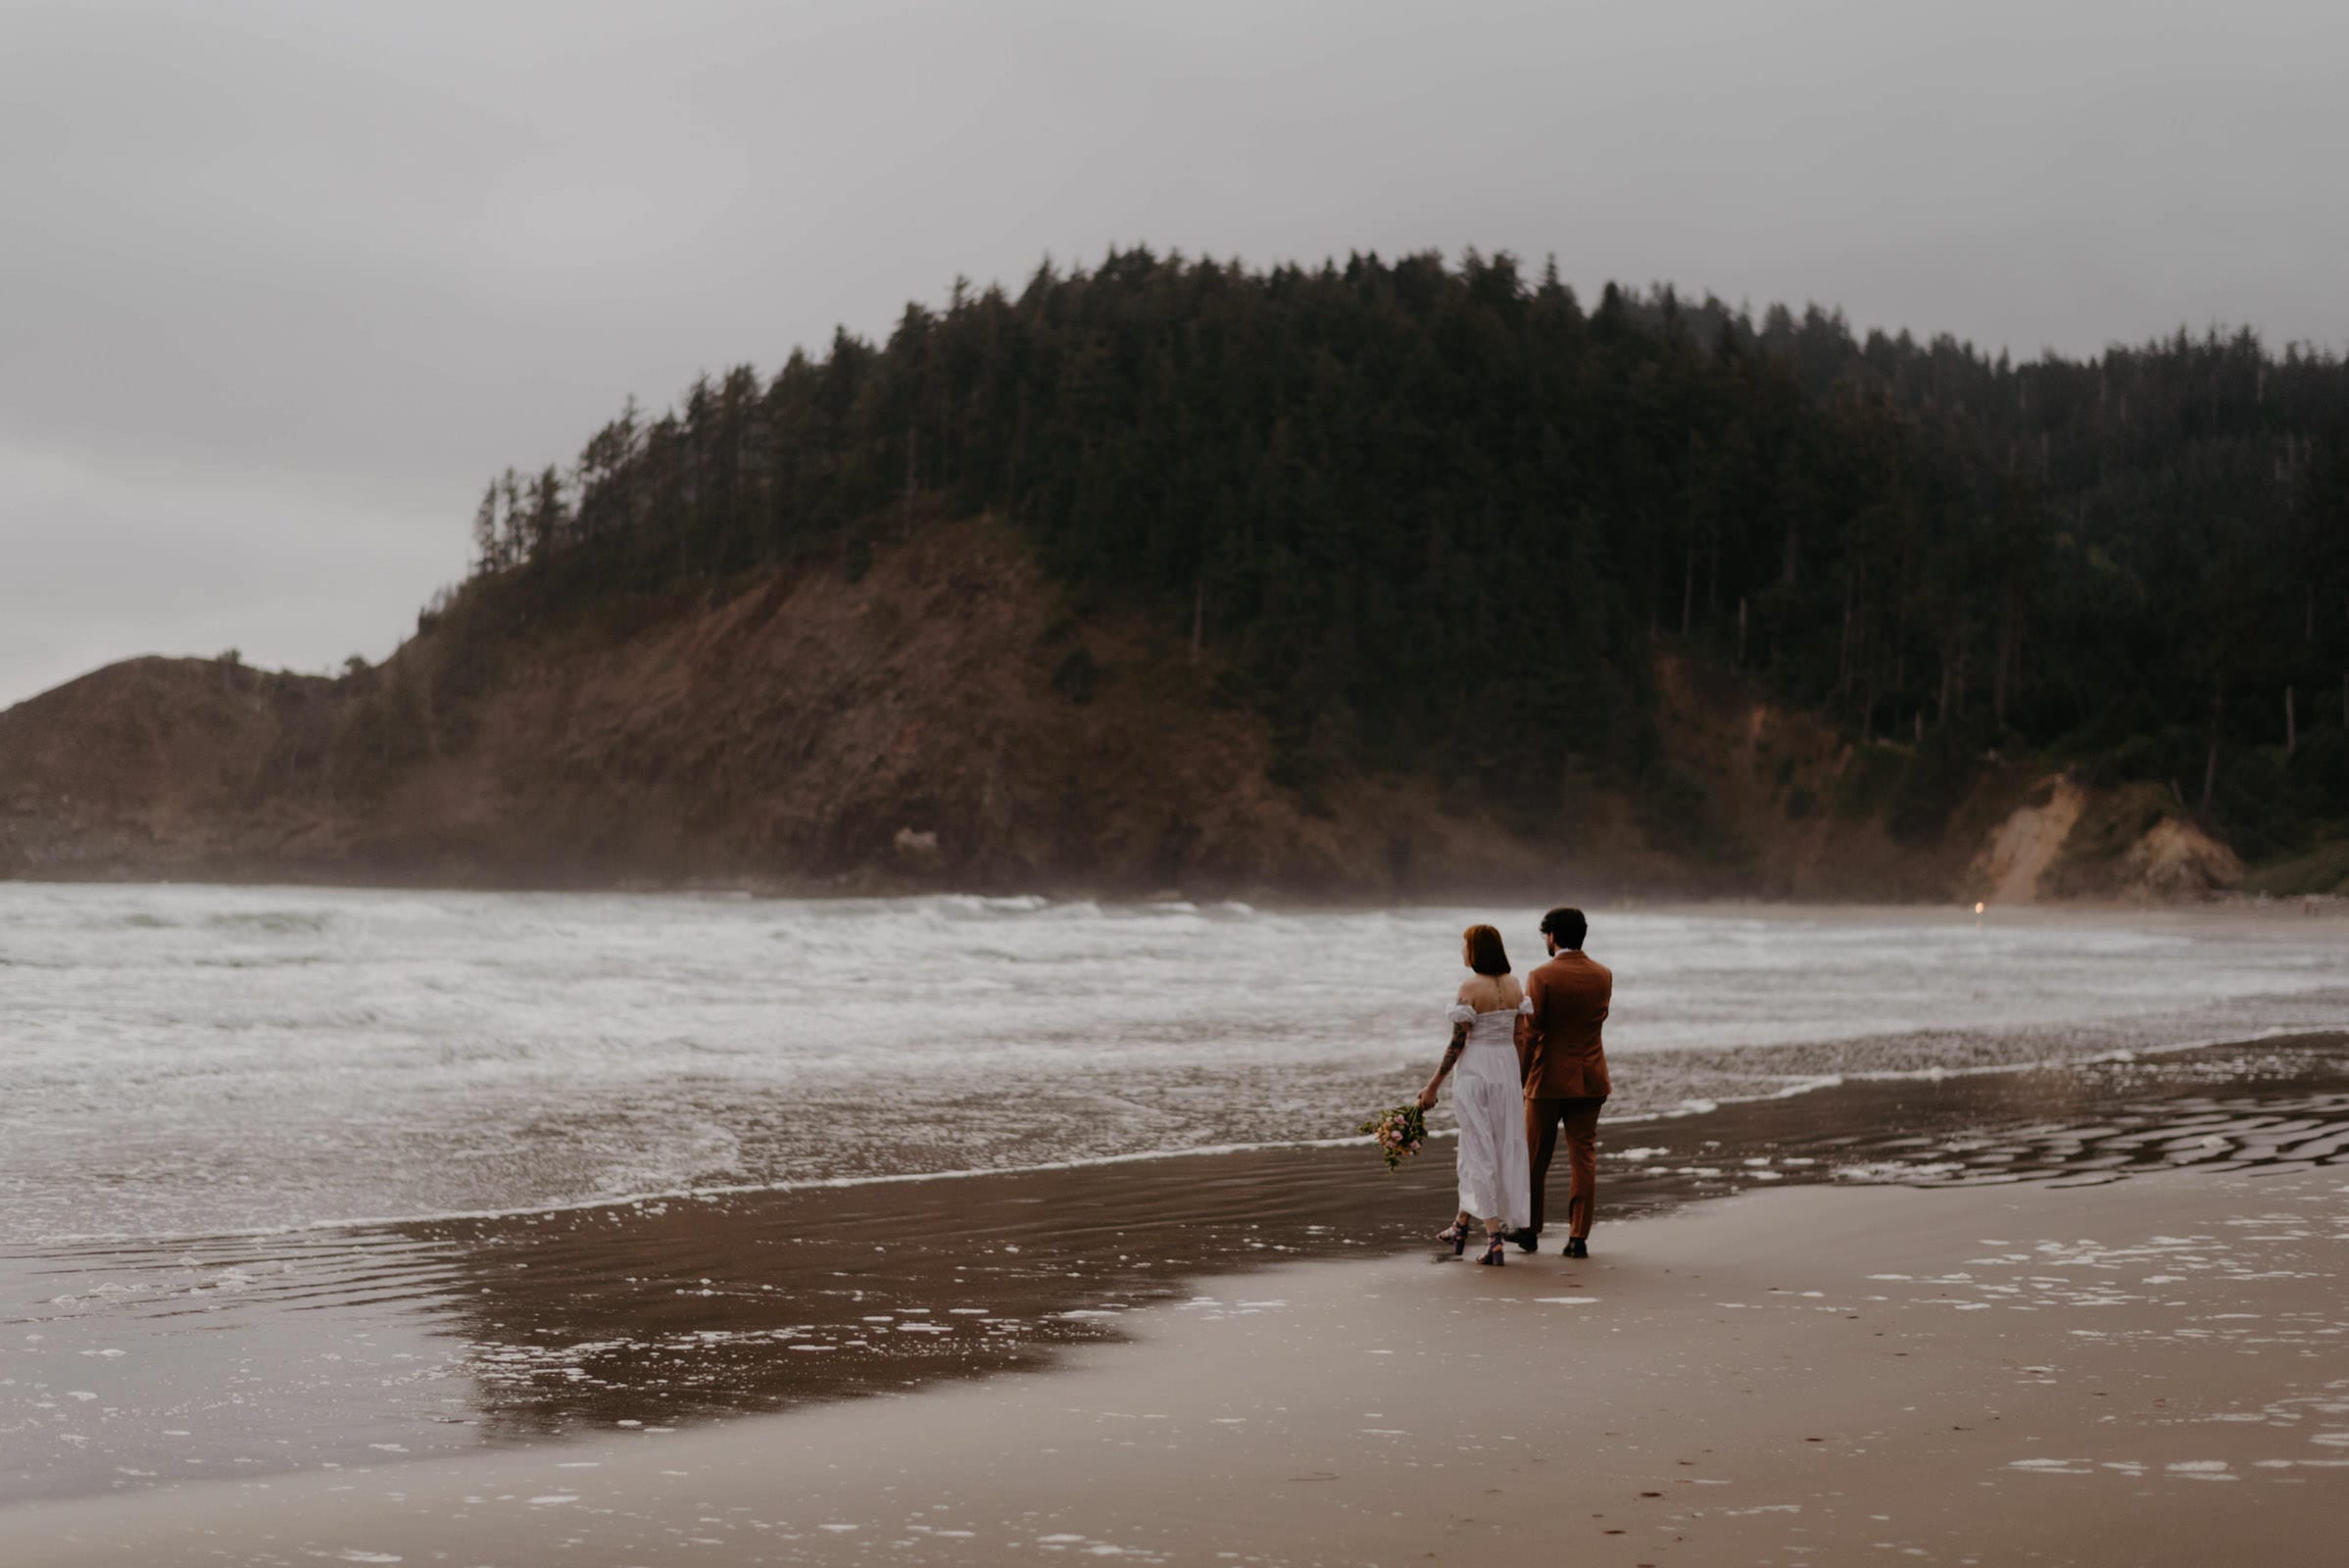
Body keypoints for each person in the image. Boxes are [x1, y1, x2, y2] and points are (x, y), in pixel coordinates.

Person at [1415, 924, 1534, 1265]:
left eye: (1464, 945)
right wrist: (1517, 1079)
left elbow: (1457, 1043)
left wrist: (1433, 1085)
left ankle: (1494, 1237)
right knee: (1498, 1146)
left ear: (1475, 951)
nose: (1462, 952)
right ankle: (1460, 1224)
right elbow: (1520, 1038)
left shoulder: (1469, 987)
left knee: (1477, 1148)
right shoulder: (1514, 985)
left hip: (1476, 1069)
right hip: (1507, 1069)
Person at [1518, 906, 1611, 1259]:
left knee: (1534, 1156)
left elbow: (1531, 1033)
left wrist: (1518, 1077)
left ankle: (1528, 1230)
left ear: (1553, 936)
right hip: (1591, 1076)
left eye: (1546, 935)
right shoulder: (1603, 974)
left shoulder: (1540, 976)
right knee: (1583, 1157)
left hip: (1548, 1079)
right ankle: (1577, 1237)